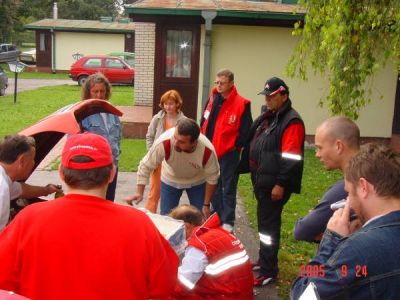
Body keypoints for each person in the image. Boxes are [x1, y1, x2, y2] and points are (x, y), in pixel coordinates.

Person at [0, 132, 179, 300]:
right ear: (112, 174)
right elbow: (165, 286)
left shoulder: (28, 220)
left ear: (61, 173)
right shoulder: (140, 225)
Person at [291, 143, 400, 299]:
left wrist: (331, 242)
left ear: (363, 187)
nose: (348, 201)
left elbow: (302, 295)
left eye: (349, 193)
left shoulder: (357, 251)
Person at [243, 77, 305, 286]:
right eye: (266, 96)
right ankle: (264, 259)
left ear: (284, 95)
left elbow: (291, 158)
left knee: (269, 227)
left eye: (272, 96)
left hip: (274, 186)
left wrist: (281, 184)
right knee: (264, 225)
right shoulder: (270, 117)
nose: (268, 100)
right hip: (263, 182)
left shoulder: (291, 121)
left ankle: (269, 270)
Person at [127, 118, 220, 216]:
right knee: (166, 218)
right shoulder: (164, 142)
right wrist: (139, 192)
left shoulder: (207, 151)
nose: (175, 143)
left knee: (200, 218)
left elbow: (213, 177)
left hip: (198, 181)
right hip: (170, 180)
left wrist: (206, 204)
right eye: (175, 137)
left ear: (194, 143)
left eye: (181, 142)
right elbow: (145, 165)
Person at [201, 69, 252, 232]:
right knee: (213, 185)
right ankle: (217, 216)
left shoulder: (242, 104)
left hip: (229, 154)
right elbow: (203, 119)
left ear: (231, 84)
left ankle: (228, 220)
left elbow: (246, 131)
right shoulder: (212, 99)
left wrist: (235, 146)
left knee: (228, 187)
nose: (219, 86)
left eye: (222, 83)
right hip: (210, 151)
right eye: (217, 82)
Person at [293, 116, 360, 242]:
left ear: (338, 146)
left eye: (320, 148)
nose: (317, 154)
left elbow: (302, 231)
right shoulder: (374, 176)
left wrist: (328, 234)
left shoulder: (347, 187)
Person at [170, 204, 254, 299]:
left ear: (186, 226)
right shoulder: (220, 232)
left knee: (173, 293)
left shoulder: (199, 246)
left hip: (225, 296)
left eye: (176, 231)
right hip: (243, 293)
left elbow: (182, 285)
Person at [0, 134, 62, 231]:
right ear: (22, 161)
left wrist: (47, 190)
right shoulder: (2, 189)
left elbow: (22, 189)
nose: (33, 163)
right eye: (32, 159)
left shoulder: (5, 179)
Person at [80, 72, 122, 201]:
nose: (99, 95)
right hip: (92, 169)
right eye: (95, 91)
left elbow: (118, 137)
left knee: (109, 202)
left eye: (102, 91)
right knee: (92, 205)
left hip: (111, 167)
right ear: (88, 92)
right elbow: (74, 143)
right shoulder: (82, 113)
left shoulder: (112, 111)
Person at [145, 89, 186, 213]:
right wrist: (152, 153)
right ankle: (150, 219)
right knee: (154, 193)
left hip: (174, 162)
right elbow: (149, 136)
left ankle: (167, 219)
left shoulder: (184, 121)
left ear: (177, 104)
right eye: (166, 103)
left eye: (171, 103)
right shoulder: (157, 119)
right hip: (158, 161)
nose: (168, 106)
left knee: (170, 195)